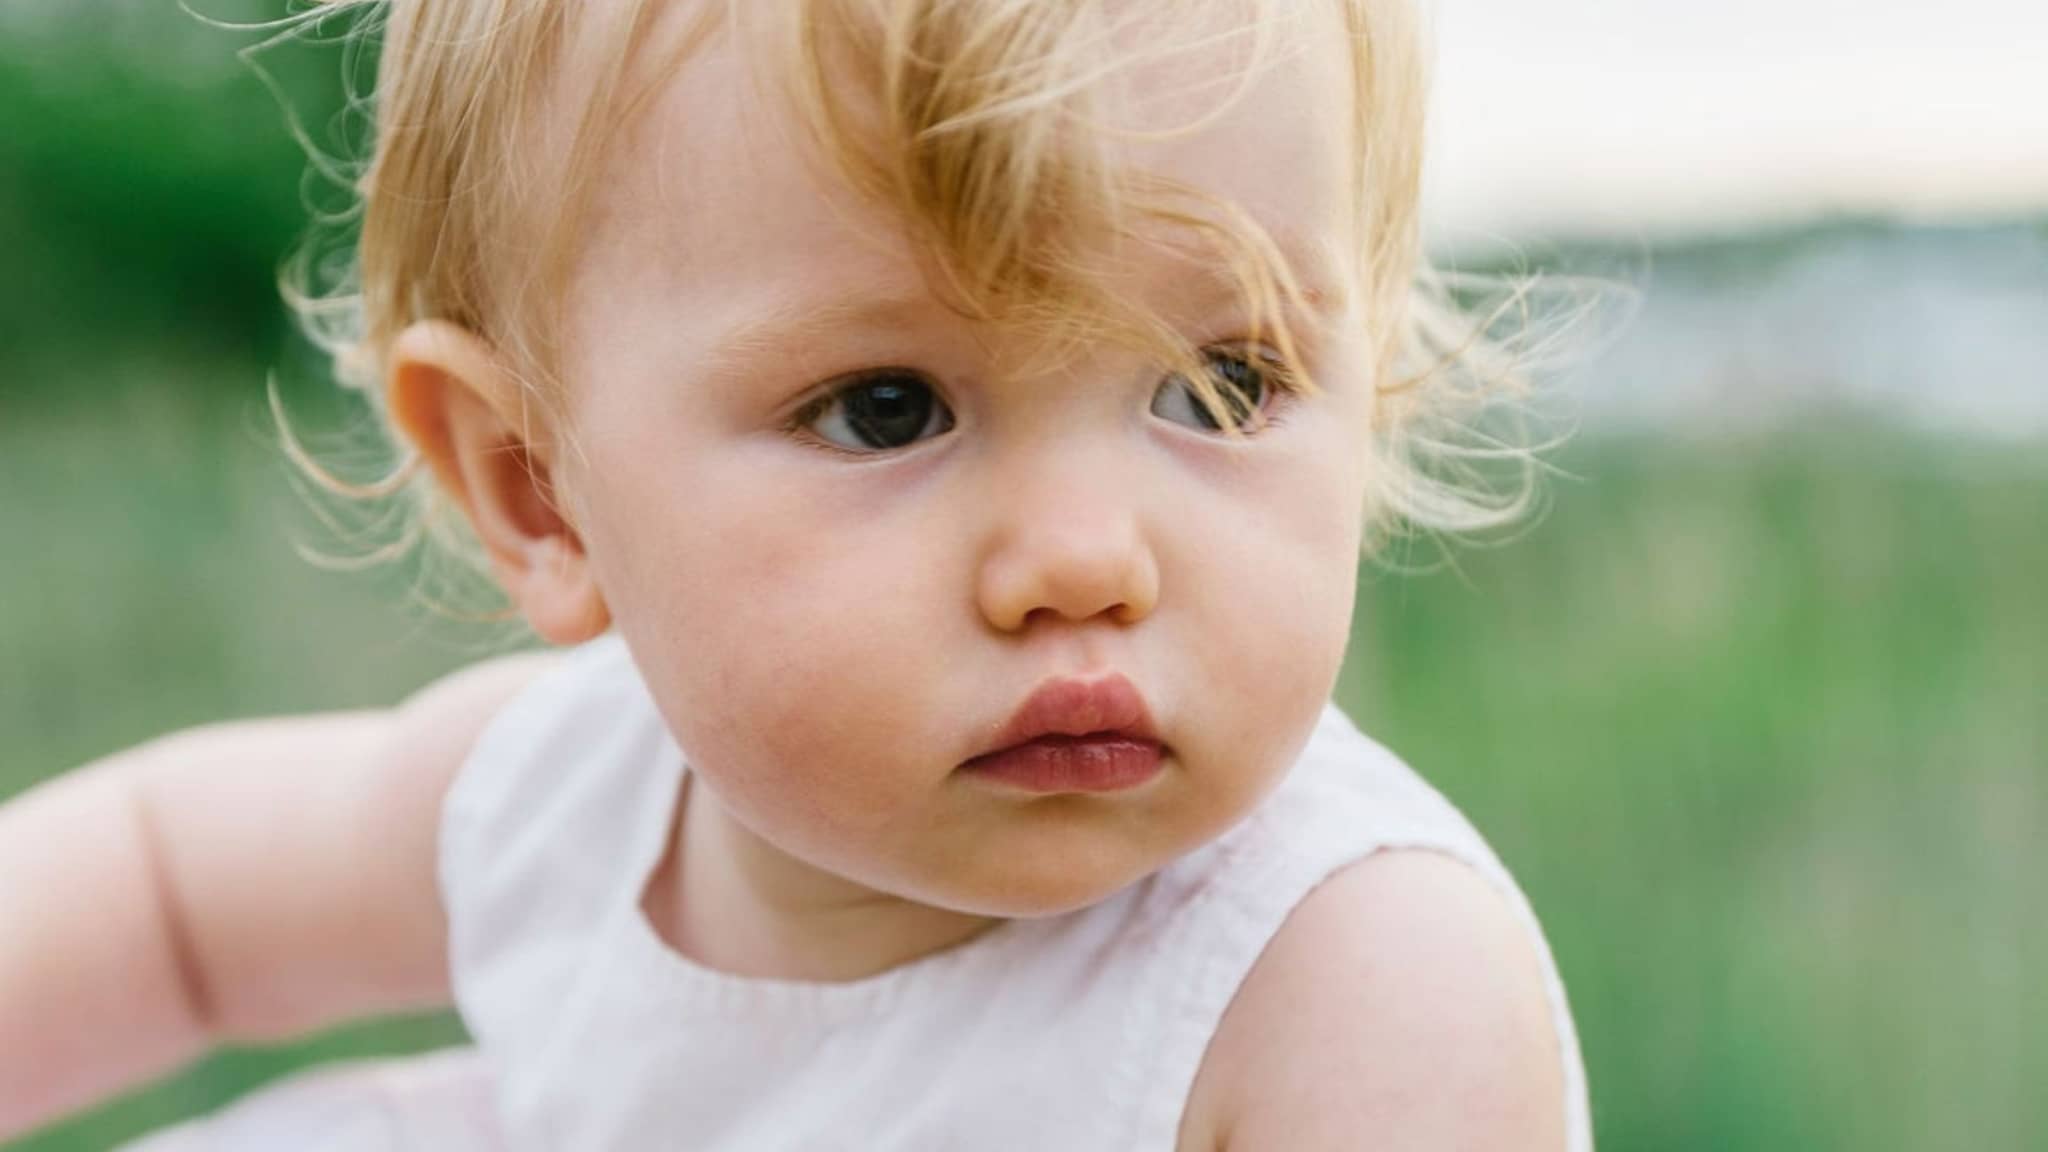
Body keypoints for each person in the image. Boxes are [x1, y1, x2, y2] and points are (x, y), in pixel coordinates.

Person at [0, 0, 1594, 1147]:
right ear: (536, 488)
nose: (1084, 560)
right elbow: (167, 900)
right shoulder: (568, 802)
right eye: (885, 408)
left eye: (1221, 385)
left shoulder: (1350, 991)